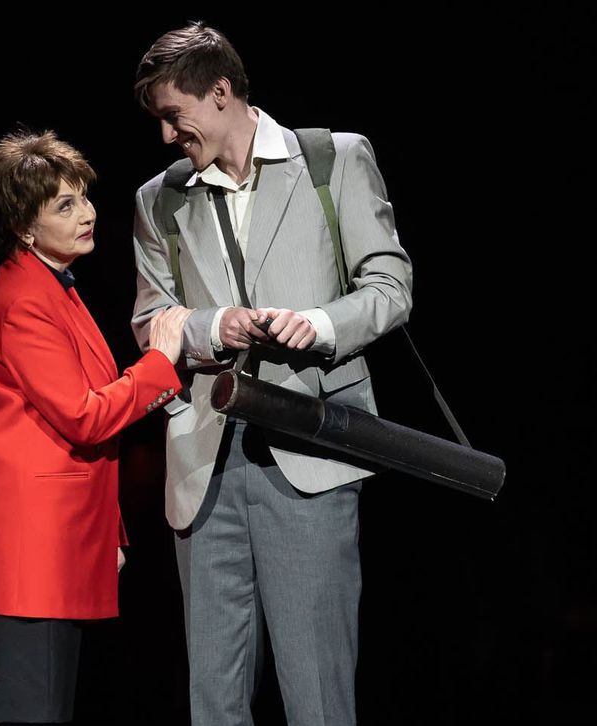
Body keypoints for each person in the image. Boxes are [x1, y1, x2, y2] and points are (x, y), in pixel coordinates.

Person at [128, 23, 414, 725]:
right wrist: (210, 327)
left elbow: (389, 286)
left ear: (220, 91)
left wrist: (318, 324)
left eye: (173, 115)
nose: (166, 135)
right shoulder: (158, 199)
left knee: (316, 696)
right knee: (214, 703)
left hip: (307, 456)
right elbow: (151, 319)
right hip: (205, 465)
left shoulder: (331, 160)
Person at [0, 129, 192, 724]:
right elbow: (84, 416)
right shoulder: (24, 300)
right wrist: (160, 363)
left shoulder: (50, 285)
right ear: (25, 227)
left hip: (58, 542)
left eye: (84, 197)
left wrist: (107, 533)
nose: (88, 214)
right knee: (30, 712)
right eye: (65, 206)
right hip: (35, 551)